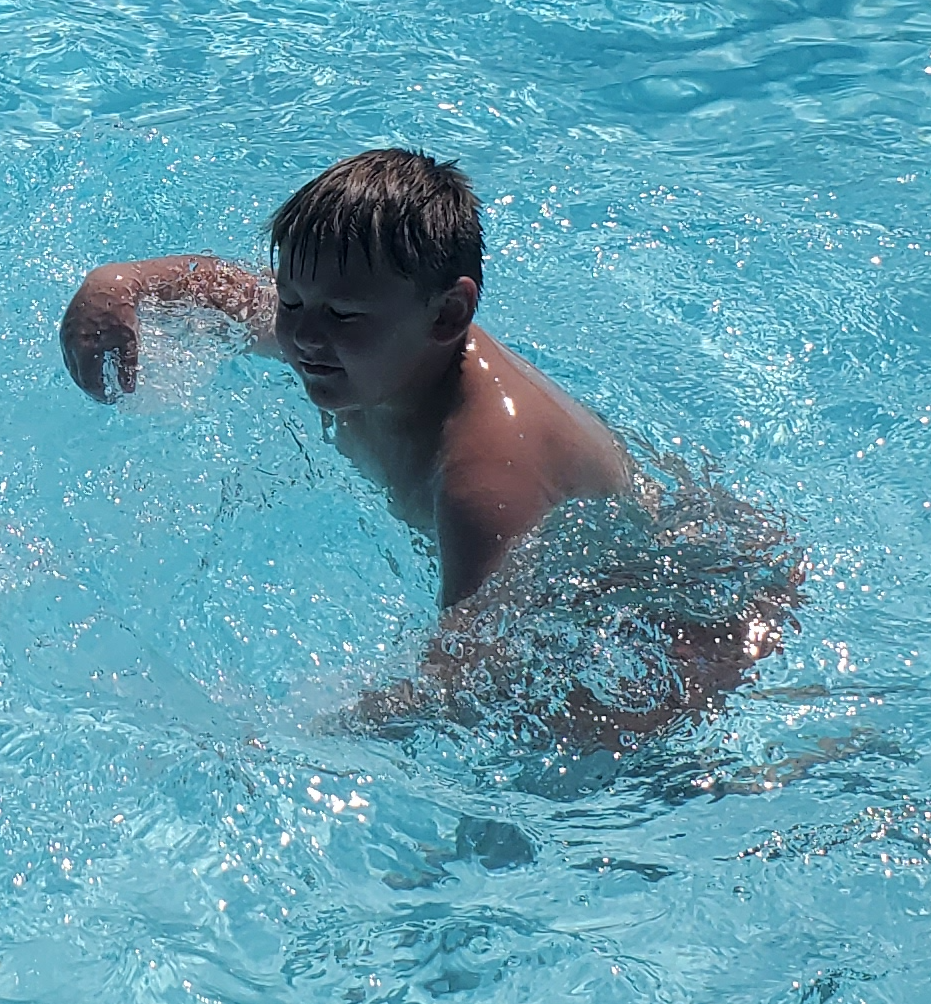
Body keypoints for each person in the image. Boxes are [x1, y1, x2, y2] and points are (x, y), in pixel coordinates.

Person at [58, 149, 792, 736]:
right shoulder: (360, 346)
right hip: (649, 548)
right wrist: (113, 285)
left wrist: (303, 734)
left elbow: (469, 673)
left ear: (449, 315)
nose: (302, 335)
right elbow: (219, 288)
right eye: (291, 300)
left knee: (576, 751)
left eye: (342, 314)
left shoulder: (480, 478)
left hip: (688, 606)